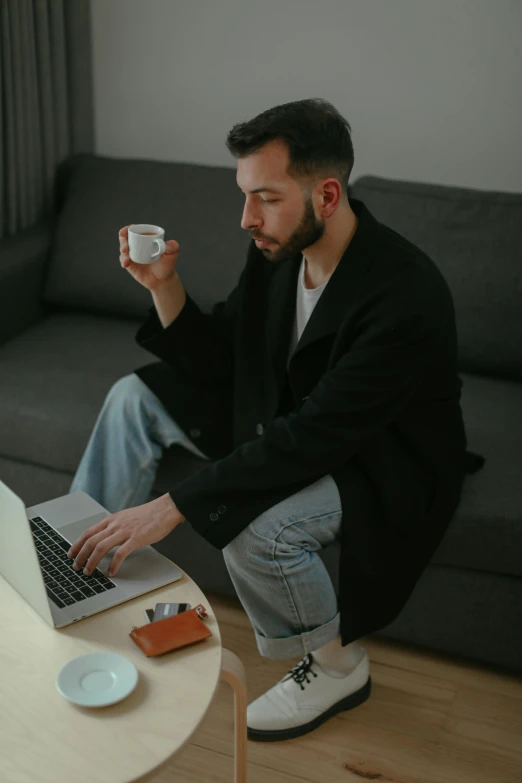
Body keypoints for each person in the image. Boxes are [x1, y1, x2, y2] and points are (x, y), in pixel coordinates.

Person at [67, 97, 482, 742]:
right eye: (244, 195)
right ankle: (76, 569)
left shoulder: (405, 297)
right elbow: (223, 358)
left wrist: (172, 505)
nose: (246, 218)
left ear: (327, 194)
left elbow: (318, 435)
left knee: (253, 529)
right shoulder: (277, 252)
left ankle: (339, 666)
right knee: (133, 395)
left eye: (265, 197)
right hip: (293, 418)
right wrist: (162, 286)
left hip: (379, 454)